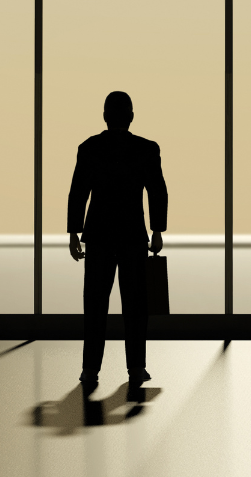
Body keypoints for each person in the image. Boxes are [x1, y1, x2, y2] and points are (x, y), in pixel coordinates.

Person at [67, 91, 168, 392]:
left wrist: (74, 233)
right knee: (136, 305)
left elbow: (78, 192)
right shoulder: (146, 149)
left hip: (98, 236)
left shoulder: (89, 148)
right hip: (133, 236)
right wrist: (157, 230)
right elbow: (157, 191)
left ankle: (90, 370)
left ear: (105, 116)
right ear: (131, 116)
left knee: (95, 304)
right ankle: (136, 368)